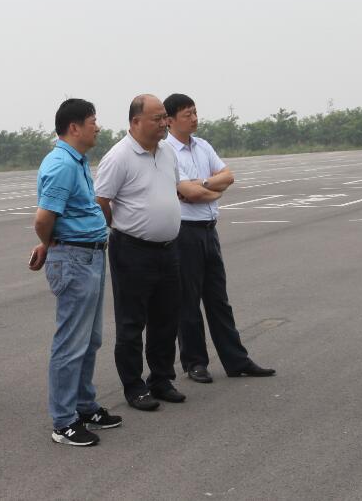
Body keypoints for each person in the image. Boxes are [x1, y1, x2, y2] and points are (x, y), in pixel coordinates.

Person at [29, 98, 123, 447]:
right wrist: (50, 244)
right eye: (92, 121)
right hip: (75, 259)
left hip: (90, 256)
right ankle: (64, 421)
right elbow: (43, 219)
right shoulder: (62, 165)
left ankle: (84, 405)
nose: (97, 127)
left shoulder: (77, 161)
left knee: (90, 339)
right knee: (71, 342)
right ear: (74, 127)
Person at [163, 94, 275, 383]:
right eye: (187, 114)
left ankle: (236, 360)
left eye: (195, 112)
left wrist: (203, 185)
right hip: (184, 233)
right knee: (188, 302)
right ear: (170, 120)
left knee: (218, 300)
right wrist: (209, 189)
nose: (194, 118)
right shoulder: (166, 152)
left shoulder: (203, 146)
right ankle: (195, 362)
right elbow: (188, 192)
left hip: (209, 230)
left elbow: (227, 176)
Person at [95, 94, 184, 411]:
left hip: (168, 249)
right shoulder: (119, 156)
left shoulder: (168, 152)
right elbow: (101, 201)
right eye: (157, 118)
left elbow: (172, 190)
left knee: (166, 318)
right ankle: (134, 386)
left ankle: (161, 379)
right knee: (132, 323)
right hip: (133, 251)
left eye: (165, 117)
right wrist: (122, 227)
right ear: (135, 122)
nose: (164, 123)